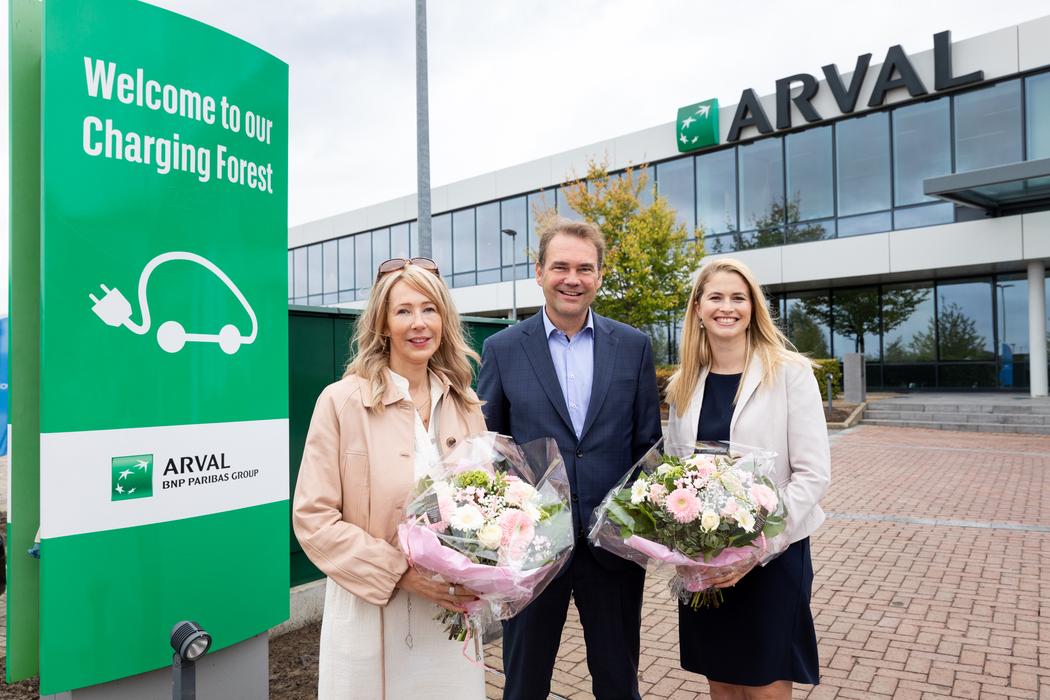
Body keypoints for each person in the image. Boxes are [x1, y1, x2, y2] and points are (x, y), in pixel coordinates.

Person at [478, 217, 662, 700]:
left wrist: (640, 529)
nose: (572, 278)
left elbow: (648, 447)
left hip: (614, 548)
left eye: (585, 268)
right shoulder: (501, 350)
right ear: (538, 271)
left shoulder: (634, 347)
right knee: (524, 684)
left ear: (600, 275)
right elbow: (490, 448)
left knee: (619, 682)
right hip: (533, 551)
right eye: (560, 266)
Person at [292, 259, 487, 700]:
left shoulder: (466, 402)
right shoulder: (341, 402)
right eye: (403, 311)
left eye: (429, 309)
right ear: (382, 324)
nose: (418, 324)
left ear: (444, 320)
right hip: (370, 614)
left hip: (449, 618)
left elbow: (486, 503)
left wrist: (489, 562)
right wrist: (400, 572)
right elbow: (313, 519)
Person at [664, 257, 830, 699]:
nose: (727, 307)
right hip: (707, 563)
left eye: (739, 298)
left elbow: (812, 475)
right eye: (716, 297)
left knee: (764, 683)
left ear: (753, 307)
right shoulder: (684, 384)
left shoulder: (790, 373)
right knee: (720, 679)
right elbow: (676, 476)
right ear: (698, 308)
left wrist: (755, 548)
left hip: (773, 558)